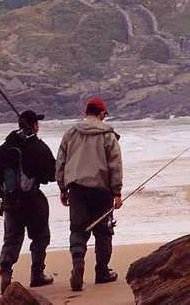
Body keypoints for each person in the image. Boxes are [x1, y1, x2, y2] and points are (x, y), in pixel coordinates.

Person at [55, 97, 123, 291]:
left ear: (85, 112)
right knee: (104, 232)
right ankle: (102, 272)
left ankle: (78, 263)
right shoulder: (108, 135)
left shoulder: (71, 133)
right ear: (102, 114)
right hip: (102, 191)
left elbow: (60, 162)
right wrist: (117, 192)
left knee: (78, 230)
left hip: (77, 189)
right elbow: (115, 165)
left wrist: (62, 188)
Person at [0, 110, 57, 293]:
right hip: (33, 199)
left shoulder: (4, 148)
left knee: (11, 239)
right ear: (34, 126)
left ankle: (6, 271)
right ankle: (37, 274)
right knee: (40, 236)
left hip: (10, 202)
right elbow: (51, 173)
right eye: (37, 123)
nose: (38, 126)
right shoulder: (38, 147)